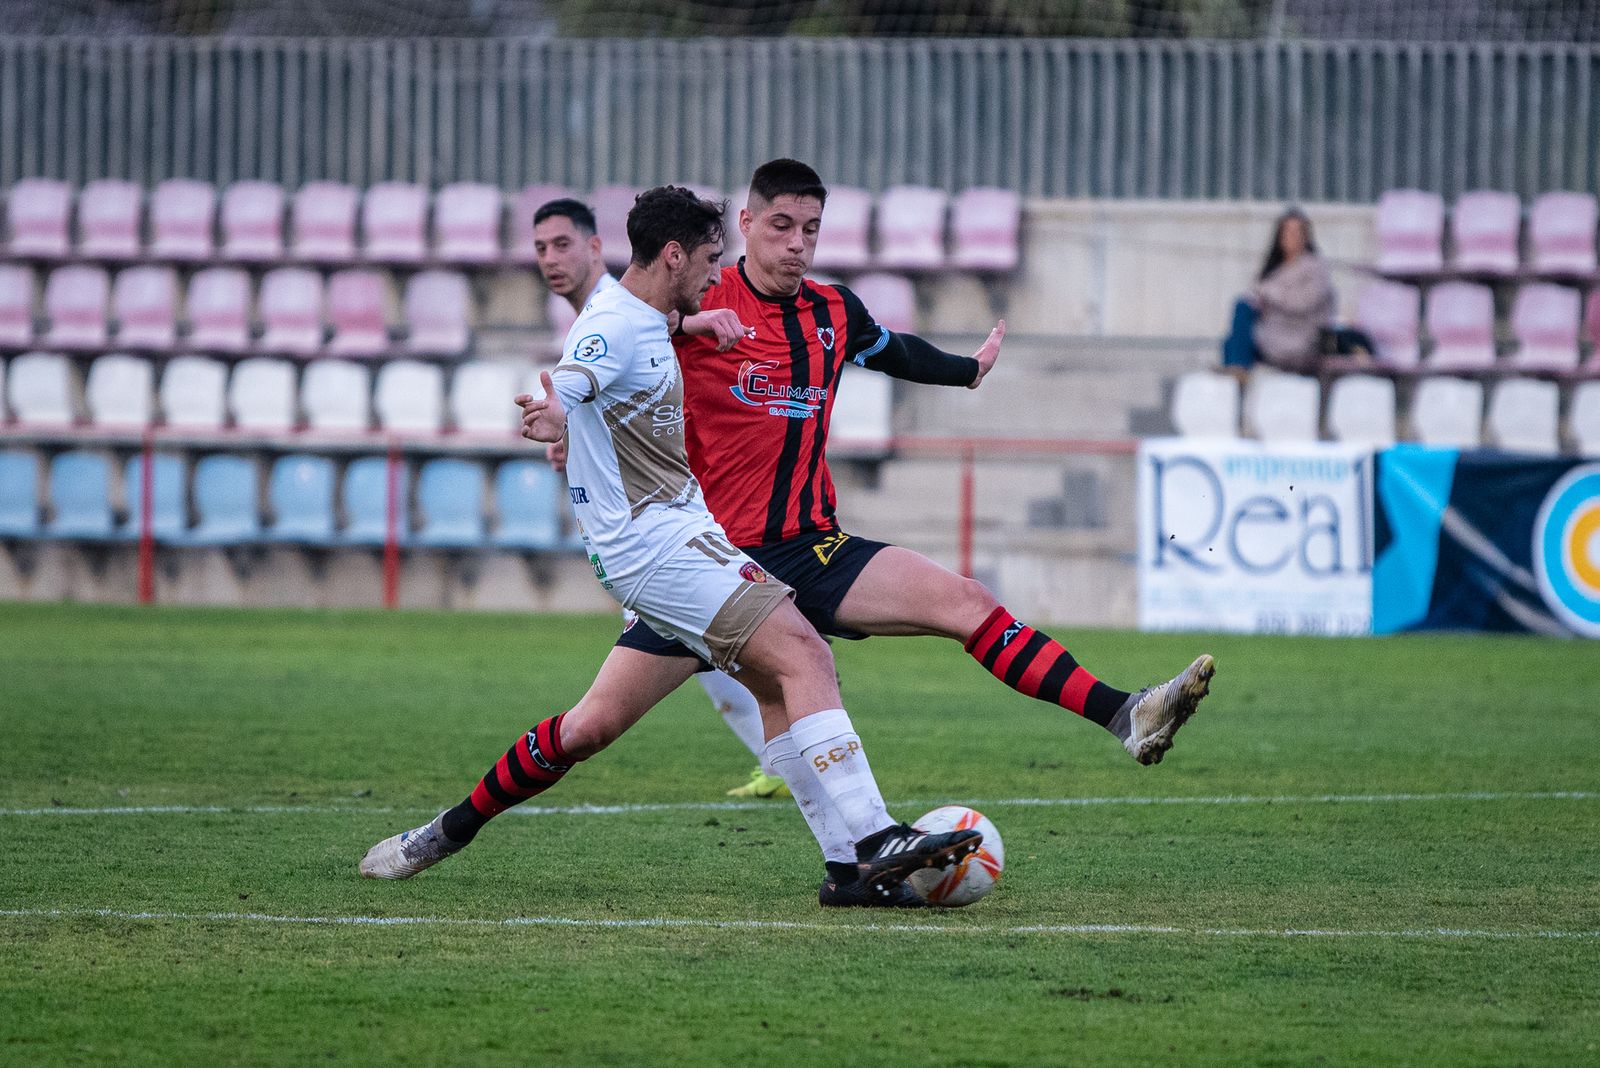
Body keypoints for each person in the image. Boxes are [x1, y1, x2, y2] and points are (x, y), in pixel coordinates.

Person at [361, 162, 1215, 907]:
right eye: (781, 226)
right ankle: (447, 831)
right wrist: (568, 420)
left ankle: (1121, 714)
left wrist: (967, 370)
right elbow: (614, 347)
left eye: (811, 228)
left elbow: (891, 349)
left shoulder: (828, 310)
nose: (798, 243)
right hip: (704, 560)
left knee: (960, 604)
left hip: (811, 546)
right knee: (594, 728)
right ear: (743, 225)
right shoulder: (697, 304)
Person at [362, 185, 983, 901]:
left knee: (596, 726)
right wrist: (556, 411)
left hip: (673, 543)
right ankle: (875, 839)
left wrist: (693, 323)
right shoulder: (613, 325)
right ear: (675, 256)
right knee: (806, 654)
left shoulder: (648, 314)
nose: (720, 278)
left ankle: (443, 833)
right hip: (661, 550)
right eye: (712, 262)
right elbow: (579, 372)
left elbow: (641, 338)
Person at [533, 197, 789, 800]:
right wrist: (569, 427)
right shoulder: (612, 313)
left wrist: (563, 413)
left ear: (597, 248)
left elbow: (611, 355)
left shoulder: (614, 304)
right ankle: (786, 752)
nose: (550, 259)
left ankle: (787, 753)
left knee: (722, 646)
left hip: (660, 516)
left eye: (563, 244)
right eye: (541, 248)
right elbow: (603, 375)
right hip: (644, 514)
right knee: (710, 648)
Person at [1221, 207, 1338, 374]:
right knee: (1232, 337)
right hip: (1271, 330)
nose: (1292, 236)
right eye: (1287, 231)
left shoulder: (1315, 267)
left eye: (1297, 231)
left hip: (1297, 336)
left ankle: (1239, 368)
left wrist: (1268, 294)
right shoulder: (1274, 268)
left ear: (1306, 235)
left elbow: (1303, 303)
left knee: (1242, 312)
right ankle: (1236, 373)